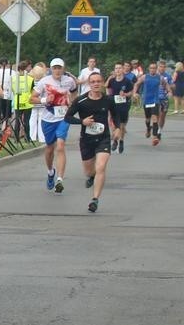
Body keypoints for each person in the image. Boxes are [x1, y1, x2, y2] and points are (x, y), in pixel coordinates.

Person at [64, 72, 121, 213]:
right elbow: (67, 117)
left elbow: (115, 115)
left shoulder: (108, 100)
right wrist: (82, 121)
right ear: (89, 84)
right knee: (89, 171)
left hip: (103, 139)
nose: (96, 84)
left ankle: (95, 199)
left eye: (98, 81)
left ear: (102, 83)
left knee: (101, 167)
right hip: (87, 140)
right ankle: (91, 176)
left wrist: (118, 128)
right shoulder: (80, 101)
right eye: (93, 81)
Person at [30, 58, 77, 193]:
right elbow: (31, 98)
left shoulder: (69, 81)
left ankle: (60, 180)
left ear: (63, 69)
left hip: (63, 117)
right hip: (48, 119)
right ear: (51, 69)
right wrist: (45, 99)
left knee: (61, 145)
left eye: (59, 68)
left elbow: (74, 92)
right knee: (50, 148)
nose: (57, 70)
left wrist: (71, 103)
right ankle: (51, 172)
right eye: (55, 68)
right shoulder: (44, 82)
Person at [133, 61, 165, 146]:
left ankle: (154, 137)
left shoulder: (160, 78)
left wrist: (169, 91)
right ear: (149, 69)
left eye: (154, 68)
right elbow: (136, 84)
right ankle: (148, 128)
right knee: (147, 119)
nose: (153, 70)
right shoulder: (144, 77)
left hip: (155, 100)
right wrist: (134, 93)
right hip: (146, 100)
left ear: (156, 69)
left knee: (155, 118)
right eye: (151, 68)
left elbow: (166, 85)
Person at [105, 63, 133, 153]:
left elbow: (131, 92)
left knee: (121, 126)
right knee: (114, 125)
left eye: (120, 68)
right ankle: (115, 141)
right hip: (114, 106)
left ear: (123, 69)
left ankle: (121, 141)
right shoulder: (112, 81)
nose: (118, 70)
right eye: (116, 68)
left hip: (124, 106)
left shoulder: (127, 81)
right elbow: (106, 88)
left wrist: (125, 94)